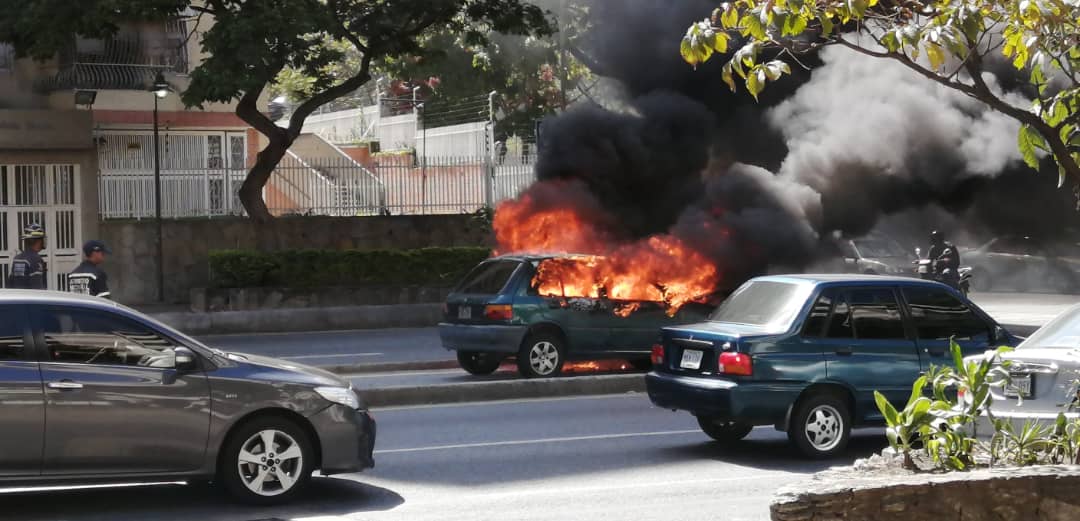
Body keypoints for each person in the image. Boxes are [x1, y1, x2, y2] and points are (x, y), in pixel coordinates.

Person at [8, 223, 47, 290]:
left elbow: (10, 282)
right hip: (30, 298)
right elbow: (37, 287)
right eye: (42, 239)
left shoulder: (17, 258)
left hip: (18, 297)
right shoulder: (36, 259)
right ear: (38, 241)